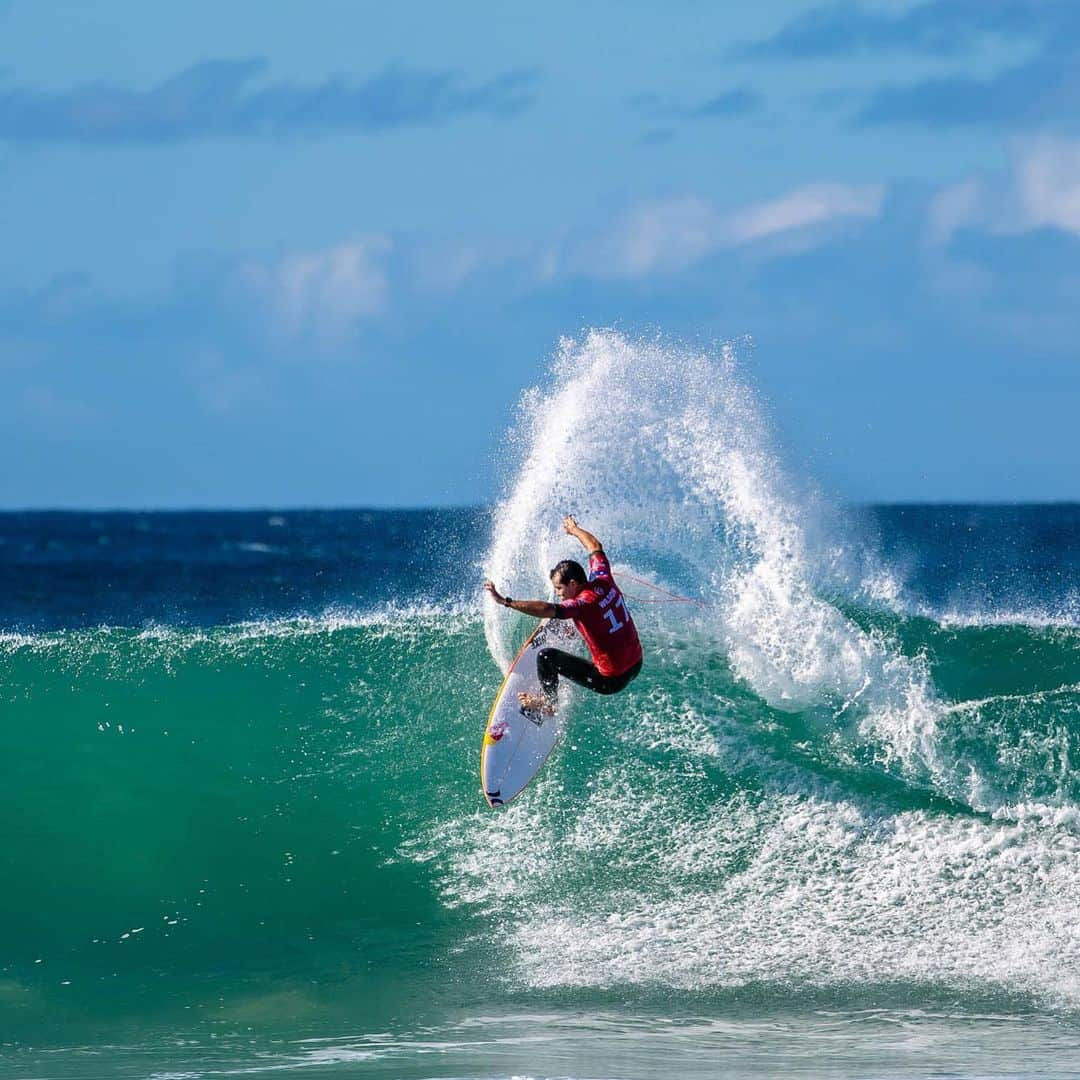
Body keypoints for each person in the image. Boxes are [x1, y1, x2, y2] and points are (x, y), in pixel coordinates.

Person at [484, 515, 643, 715]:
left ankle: (549, 705)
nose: (558, 593)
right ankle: (568, 631)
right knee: (582, 623)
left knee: (546, 656)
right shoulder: (602, 577)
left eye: (560, 588)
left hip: (611, 681)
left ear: (573, 584)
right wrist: (574, 529)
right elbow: (595, 545)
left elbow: (548, 609)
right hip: (636, 664)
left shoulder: (582, 603)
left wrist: (505, 601)